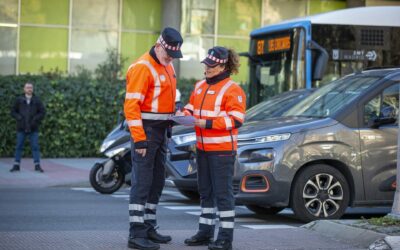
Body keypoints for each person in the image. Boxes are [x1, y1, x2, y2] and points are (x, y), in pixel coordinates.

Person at [124, 27, 183, 250]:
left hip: (161, 131)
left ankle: (148, 226)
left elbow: (164, 98)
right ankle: (136, 233)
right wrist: (139, 139)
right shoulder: (142, 67)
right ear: (159, 46)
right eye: (168, 55)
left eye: (173, 56)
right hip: (146, 132)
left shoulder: (166, 65)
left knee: (157, 181)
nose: (170, 59)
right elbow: (131, 106)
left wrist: (175, 113)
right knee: (142, 182)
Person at [183, 46, 246, 250]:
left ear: (222, 66)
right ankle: (205, 233)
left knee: (223, 194)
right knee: (205, 192)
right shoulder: (200, 85)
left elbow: (236, 120)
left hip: (222, 151)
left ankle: (225, 238)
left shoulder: (232, 89)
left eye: (211, 66)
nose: (207, 68)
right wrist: (183, 114)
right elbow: (191, 107)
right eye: (206, 64)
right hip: (202, 149)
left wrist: (206, 124)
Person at [10, 82, 46, 173]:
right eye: (27, 87)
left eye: (31, 87)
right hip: (21, 128)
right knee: (19, 146)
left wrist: (35, 119)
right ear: (24, 89)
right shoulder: (19, 100)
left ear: (32, 89)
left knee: (35, 147)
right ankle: (16, 165)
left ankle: (37, 165)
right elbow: (13, 111)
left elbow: (42, 112)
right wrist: (19, 118)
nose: (29, 89)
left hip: (33, 128)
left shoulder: (37, 100)